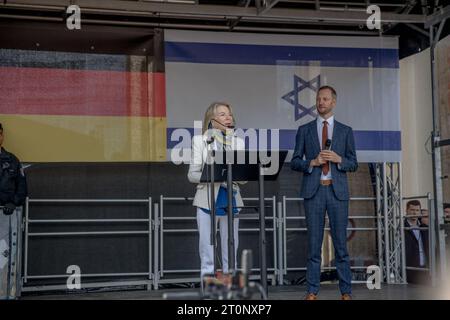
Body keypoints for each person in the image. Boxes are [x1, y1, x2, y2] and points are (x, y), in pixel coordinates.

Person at [291, 85, 358, 300]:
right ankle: (312, 291)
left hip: (337, 193)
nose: (321, 102)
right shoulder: (305, 130)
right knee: (313, 245)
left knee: (341, 246)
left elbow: (353, 163)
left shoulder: (346, 131)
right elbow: (294, 162)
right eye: (319, 99)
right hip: (314, 192)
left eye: (325, 99)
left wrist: (339, 160)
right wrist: (312, 162)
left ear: (333, 102)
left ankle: (346, 292)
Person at [187, 102, 246, 279]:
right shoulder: (200, 141)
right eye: (222, 114)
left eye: (229, 114)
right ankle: (209, 293)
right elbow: (192, 175)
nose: (228, 117)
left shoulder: (238, 142)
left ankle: (230, 293)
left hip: (231, 201)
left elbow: (242, 179)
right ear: (211, 120)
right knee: (207, 252)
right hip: (207, 202)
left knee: (231, 252)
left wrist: (236, 173)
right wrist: (212, 175)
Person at [0, 123, 27, 299]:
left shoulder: (12, 161)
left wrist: (13, 203)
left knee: (4, 257)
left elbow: (22, 189)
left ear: (2, 135)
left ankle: (5, 293)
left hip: (6, 218)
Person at [404, 200, 429, 284]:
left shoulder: (424, 228)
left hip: (425, 269)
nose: (415, 213)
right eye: (412, 210)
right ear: (406, 210)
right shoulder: (401, 228)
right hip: (410, 270)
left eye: (417, 210)